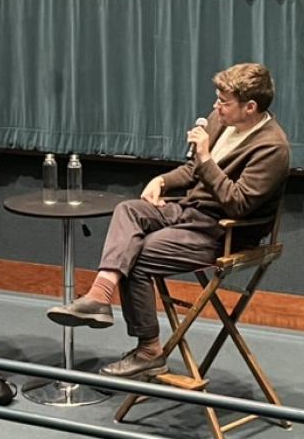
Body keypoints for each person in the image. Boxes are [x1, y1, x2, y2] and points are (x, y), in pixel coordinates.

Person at [47, 63, 290, 379]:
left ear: (251, 107)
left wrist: (204, 158)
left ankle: (149, 350)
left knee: (137, 255)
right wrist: (162, 180)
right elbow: (193, 171)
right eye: (217, 99)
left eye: (224, 102)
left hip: (225, 232)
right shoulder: (222, 120)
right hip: (192, 210)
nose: (216, 107)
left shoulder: (272, 147)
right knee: (129, 210)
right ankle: (100, 296)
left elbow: (239, 203)